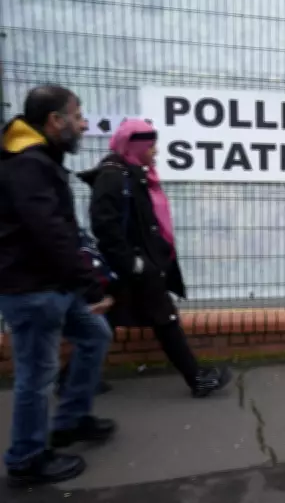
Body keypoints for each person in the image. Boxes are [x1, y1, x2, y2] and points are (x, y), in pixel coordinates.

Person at [0, 85, 116, 487]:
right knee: (37, 374)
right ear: (55, 121)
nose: (83, 124)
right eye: (78, 115)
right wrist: (91, 286)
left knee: (95, 335)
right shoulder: (27, 165)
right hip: (33, 290)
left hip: (55, 284)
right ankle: (27, 457)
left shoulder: (40, 160)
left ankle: (70, 421)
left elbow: (59, 231)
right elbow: (50, 233)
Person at [76, 118, 232, 397]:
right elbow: (105, 226)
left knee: (111, 317)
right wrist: (134, 264)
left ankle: (71, 380)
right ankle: (197, 379)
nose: (155, 151)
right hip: (135, 265)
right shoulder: (113, 177)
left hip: (139, 263)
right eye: (150, 146)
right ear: (133, 146)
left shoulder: (133, 172)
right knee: (166, 319)